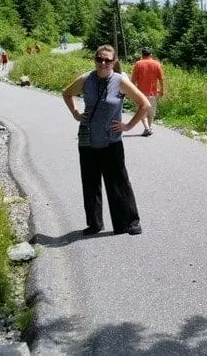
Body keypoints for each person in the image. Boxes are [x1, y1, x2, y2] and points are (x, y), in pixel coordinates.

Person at [62, 45, 151, 236]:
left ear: (114, 62)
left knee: (119, 183)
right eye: (100, 59)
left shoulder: (120, 81)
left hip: (112, 142)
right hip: (87, 141)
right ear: (95, 59)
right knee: (90, 183)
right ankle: (95, 223)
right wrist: (76, 113)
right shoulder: (86, 79)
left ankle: (129, 222)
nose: (103, 63)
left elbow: (144, 104)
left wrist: (127, 126)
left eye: (108, 60)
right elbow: (66, 93)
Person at [130, 47, 165, 137]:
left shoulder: (138, 64)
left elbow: (133, 80)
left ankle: (147, 128)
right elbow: (161, 79)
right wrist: (162, 90)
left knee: (142, 111)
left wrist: (131, 91)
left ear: (142, 54)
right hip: (153, 93)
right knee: (151, 112)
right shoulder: (157, 64)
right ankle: (149, 127)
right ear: (151, 54)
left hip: (140, 93)